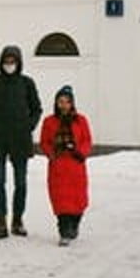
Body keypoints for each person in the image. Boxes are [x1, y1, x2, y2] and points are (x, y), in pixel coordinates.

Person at [0, 45, 42, 239]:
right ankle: (0, 220)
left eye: (13, 61)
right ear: (1, 62)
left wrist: (28, 126)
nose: (10, 64)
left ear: (19, 62)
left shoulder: (27, 83)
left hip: (21, 140)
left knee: (21, 183)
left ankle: (17, 220)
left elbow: (36, 109)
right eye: (6, 61)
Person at [39, 85, 92, 246]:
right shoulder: (49, 121)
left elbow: (87, 140)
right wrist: (51, 154)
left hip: (76, 164)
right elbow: (44, 142)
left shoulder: (81, 120)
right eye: (60, 101)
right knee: (60, 200)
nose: (63, 105)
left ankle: (74, 224)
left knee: (78, 200)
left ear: (72, 103)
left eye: (67, 102)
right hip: (58, 165)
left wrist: (81, 153)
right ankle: (63, 230)